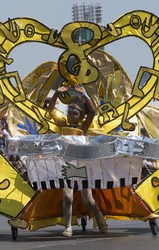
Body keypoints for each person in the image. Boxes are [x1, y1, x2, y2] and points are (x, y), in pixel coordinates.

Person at [47, 83, 107, 237]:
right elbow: (51, 109)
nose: (71, 114)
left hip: (81, 167)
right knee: (67, 197)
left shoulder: (83, 127)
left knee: (88, 200)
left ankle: (101, 221)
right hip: (66, 165)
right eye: (69, 110)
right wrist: (56, 94)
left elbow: (93, 111)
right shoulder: (62, 125)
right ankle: (68, 227)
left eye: (74, 112)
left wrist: (85, 94)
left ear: (81, 114)